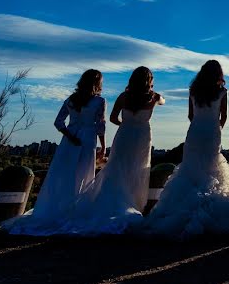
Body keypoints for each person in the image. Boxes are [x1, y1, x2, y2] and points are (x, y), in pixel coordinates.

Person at [3, 70, 107, 235]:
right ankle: (74, 211)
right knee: (82, 175)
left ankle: (56, 209)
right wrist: (103, 146)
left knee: (63, 175)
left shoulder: (71, 100)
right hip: (88, 139)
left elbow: (58, 122)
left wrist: (70, 136)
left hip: (69, 141)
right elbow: (100, 125)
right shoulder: (100, 101)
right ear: (97, 84)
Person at [61, 66, 163, 235]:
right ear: (149, 82)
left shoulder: (124, 96)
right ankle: (134, 204)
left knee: (117, 166)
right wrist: (155, 95)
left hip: (124, 134)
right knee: (138, 168)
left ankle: (108, 202)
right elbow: (163, 101)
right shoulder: (154, 97)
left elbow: (113, 118)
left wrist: (126, 124)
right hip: (143, 136)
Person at [143, 60, 229, 236]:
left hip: (194, 131)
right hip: (212, 132)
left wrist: (198, 125)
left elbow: (190, 115)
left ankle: (180, 209)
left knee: (191, 167)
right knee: (211, 168)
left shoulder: (193, 91)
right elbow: (223, 115)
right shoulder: (222, 92)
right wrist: (217, 129)